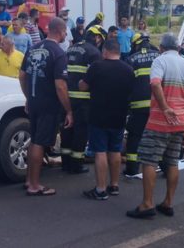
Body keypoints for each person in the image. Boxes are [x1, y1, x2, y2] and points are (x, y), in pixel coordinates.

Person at [126, 33, 184, 219]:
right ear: (179, 48)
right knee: (172, 162)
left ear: (161, 48)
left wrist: (165, 108)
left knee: (149, 160)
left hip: (159, 121)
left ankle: (147, 204)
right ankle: (168, 202)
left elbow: (155, 85)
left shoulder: (160, 61)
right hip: (179, 123)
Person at [19, 17, 73, 196]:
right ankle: (34, 185)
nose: (66, 34)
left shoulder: (33, 48)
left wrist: (28, 96)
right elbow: (60, 85)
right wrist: (69, 110)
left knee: (33, 139)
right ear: (59, 31)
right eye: (65, 31)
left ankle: (28, 179)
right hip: (49, 104)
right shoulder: (58, 53)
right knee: (39, 142)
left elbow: (22, 75)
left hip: (34, 101)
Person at [80, 39, 135, 200]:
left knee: (100, 151)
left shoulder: (97, 67)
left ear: (105, 51)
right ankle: (114, 184)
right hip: (119, 115)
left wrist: (79, 81)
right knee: (115, 150)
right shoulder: (128, 70)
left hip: (98, 116)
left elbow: (83, 86)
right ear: (118, 51)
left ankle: (101, 189)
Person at [60, 25, 103, 174]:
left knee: (66, 129)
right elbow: (96, 78)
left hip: (65, 97)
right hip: (83, 100)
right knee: (80, 131)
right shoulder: (94, 52)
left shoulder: (70, 49)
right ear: (97, 37)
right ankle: (76, 164)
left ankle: (65, 162)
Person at [124, 33, 160, 177]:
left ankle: (132, 169)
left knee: (135, 136)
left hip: (138, 107)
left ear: (136, 44)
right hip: (158, 105)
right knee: (158, 136)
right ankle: (163, 165)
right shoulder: (159, 56)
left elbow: (126, 84)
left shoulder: (131, 59)